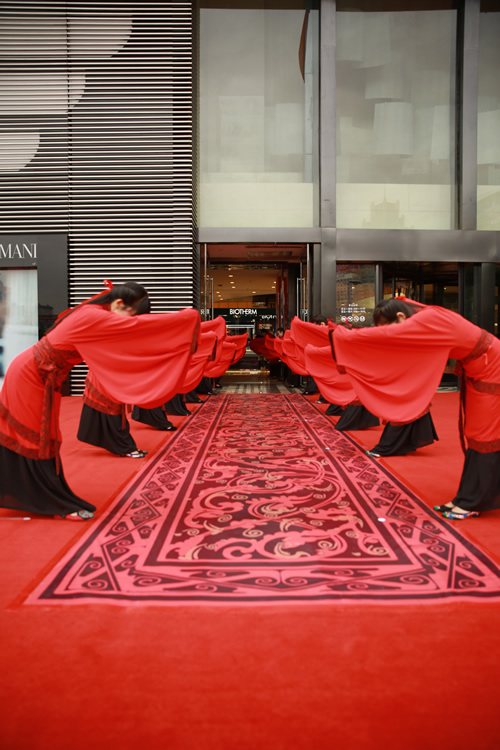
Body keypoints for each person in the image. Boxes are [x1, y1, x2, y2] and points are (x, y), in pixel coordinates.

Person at [0, 280, 200, 520]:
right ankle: (53, 503)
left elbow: (133, 332)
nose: (130, 320)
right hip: (31, 376)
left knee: (45, 436)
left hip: (43, 376)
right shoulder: (92, 315)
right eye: (131, 313)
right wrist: (187, 317)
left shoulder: (95, 312)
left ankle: (39, 496)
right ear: (118, 303)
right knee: (39, 437)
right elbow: (140, 328)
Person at [333, 297, 500, 520]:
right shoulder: (427, 319)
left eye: (390, 327)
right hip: (480, 367)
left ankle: (473, 501)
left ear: (401, 317)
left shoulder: (429, 319)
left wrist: (344, 336)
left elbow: (386, 337)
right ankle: (468, 497)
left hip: (492, 368)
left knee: (483, 434)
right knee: (476, 433)